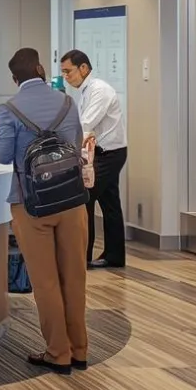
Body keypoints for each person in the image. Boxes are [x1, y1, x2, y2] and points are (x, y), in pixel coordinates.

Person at [0, 48, 88, 375]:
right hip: (73, 201)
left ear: (14, 78)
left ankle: (57, 353)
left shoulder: (8, 109)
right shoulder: (67, 102)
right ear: (39, 68)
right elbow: (76, 145)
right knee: (74, 277)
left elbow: (4, 156)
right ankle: (80, 350)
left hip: (31, 204)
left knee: (45, 281)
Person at [60, 50, 128, 269]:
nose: (66, 77)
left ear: (84, 68)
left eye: (68, 71)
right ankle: (114, 256)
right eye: (63, 73)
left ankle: (83, 257)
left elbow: (85, 124)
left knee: (85, 197)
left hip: (109, 153)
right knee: (110, 203)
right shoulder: (87, 91)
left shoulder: (100, 90)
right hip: (101, 152)